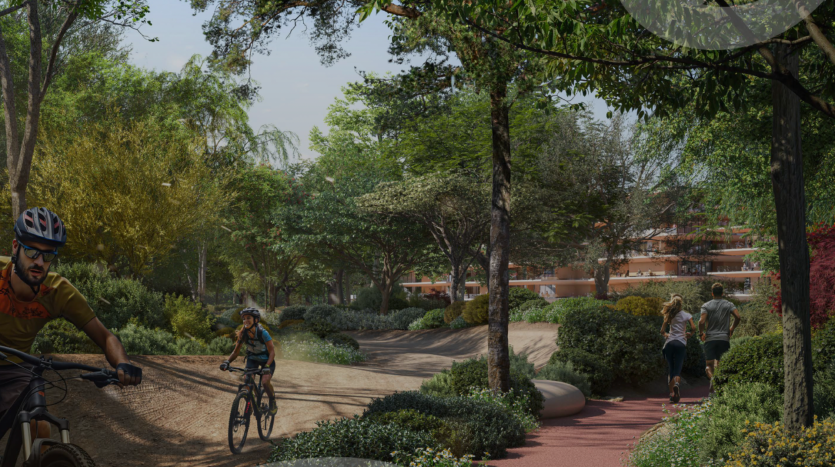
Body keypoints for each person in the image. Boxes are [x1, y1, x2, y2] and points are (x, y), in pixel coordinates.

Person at [0, 207, 143, 448]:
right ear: (15, 247)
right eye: (32, 251)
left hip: (16, 367)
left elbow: (105, 336)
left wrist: (122, 364)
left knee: (40, 426)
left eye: (47, 255)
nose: (39, 262)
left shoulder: (58, 292)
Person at [220, 308, 278, 415]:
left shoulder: (263, 333)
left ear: (256, 320)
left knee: (265, 382)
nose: (246, 320)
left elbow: (272, 352)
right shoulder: (243, 334)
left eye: (248, 318)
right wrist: (227, 362)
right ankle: (249, 405)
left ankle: (272, 401)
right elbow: (235, 352)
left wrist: (267, 366)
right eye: (244, 319)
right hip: (252, 359)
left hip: (267, 360)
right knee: (247, 381)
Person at [699, 282, 742, 389]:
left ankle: (712, 379)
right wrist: (731, 329)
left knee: (709, 365)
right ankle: (720, 387)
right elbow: (738, 317)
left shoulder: (706, 306)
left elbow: (701, 322)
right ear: (722, 293)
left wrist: (701, 333)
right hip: (724, 339)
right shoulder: (729, 304)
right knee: (721, 364)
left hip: (710, 339)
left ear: (712, 293)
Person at [660, 294, 696, 403]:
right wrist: (690, 334)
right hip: (680, 344)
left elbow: (662, 331)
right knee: (677, 370)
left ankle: (672, 395)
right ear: (681, 304)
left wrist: (667, 335)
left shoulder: (669, 315)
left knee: (671, 369)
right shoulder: (687, 315)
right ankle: (676, 383)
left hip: (669, 344)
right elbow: (693, 328)